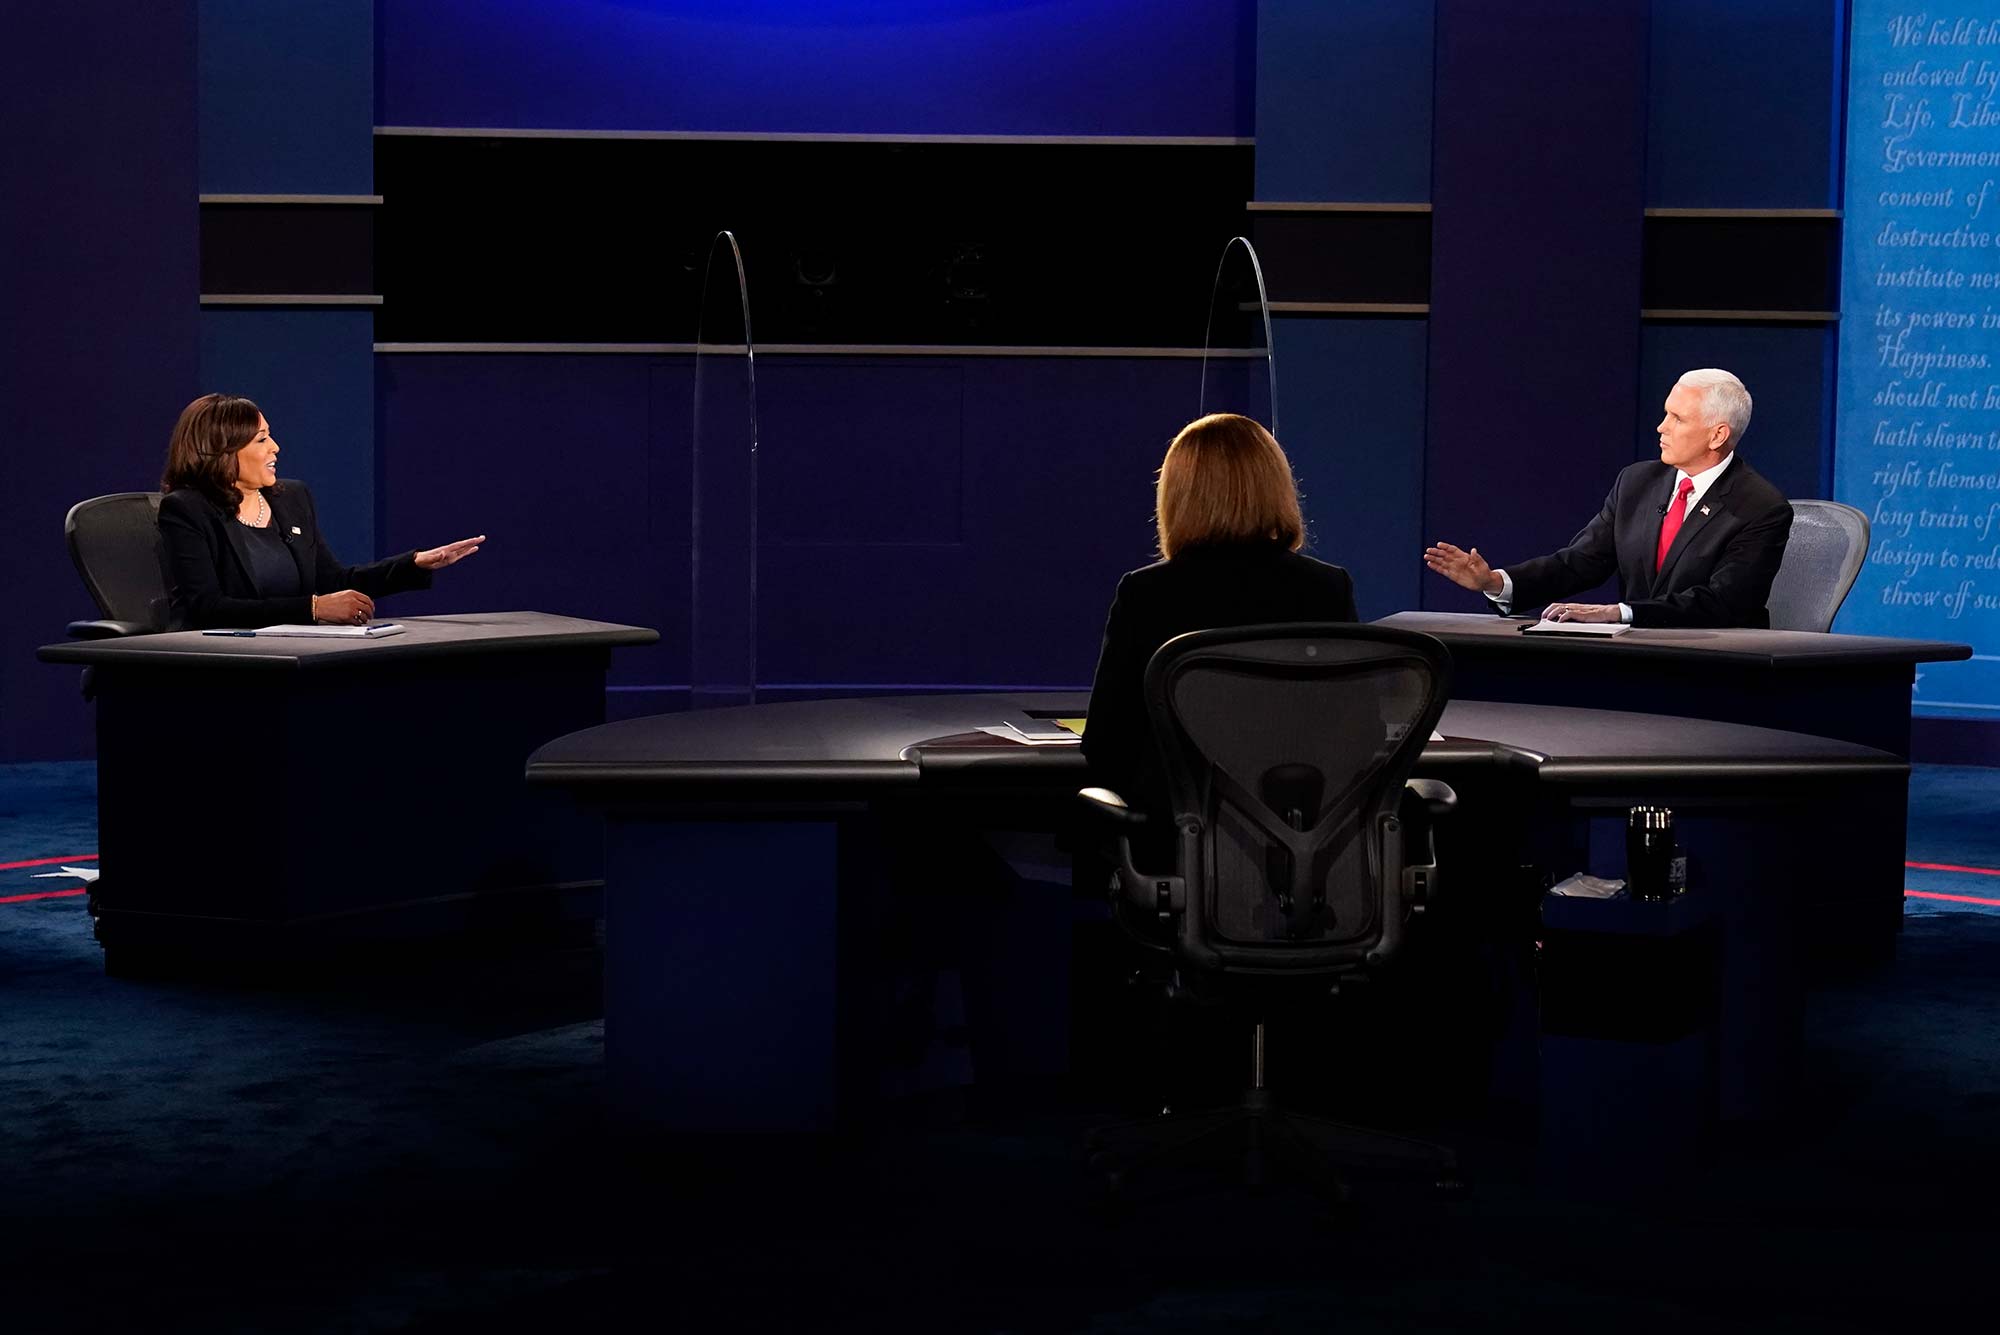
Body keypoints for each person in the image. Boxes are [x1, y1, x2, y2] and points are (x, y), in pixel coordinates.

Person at [1082, 413, 1356, 818]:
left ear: (1177, 495)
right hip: (1304, 830)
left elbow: (1106, 742)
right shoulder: (1326, 588)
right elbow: (1355, 729)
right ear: (1278, 487)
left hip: (1179, 835)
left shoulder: (1147, 594)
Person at [1423, 368, 1792, 627]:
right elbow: (1579, 563)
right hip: (1637, 655)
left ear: (1717, 435)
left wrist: (1619, 613)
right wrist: (1496, 583)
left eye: (1677, 419)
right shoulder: (1637, 482)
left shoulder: (1759, 507)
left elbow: (1722, 603)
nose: (1661, 427)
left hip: (1719, 665)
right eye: (1666, 414)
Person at [157, 393, 483, 630]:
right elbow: (207, 607)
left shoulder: (292, 499)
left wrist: (413, 564)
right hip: (224, 663)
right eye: (261, 440)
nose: (275, 447)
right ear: (223, 451)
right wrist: (312, 608)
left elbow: (332, 581)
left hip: (293, 654)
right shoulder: (187, 509)